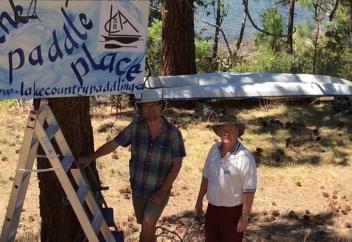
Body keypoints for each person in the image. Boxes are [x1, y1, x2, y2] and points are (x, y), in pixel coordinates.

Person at [79, 89, 186, 242]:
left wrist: (163, 191)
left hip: (159, 188)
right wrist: (91, 157)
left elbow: (177, 164)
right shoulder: (136, 127)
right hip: (138, 188)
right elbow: (114, 144)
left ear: (161, 106)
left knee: (148, 223)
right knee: (146, 225)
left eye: (154, 105)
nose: (150, 109)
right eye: (146, 106)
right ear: (141, 109)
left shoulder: (173, 133)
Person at [195, 114, 257, 242]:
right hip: (212, 209)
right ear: (219, 132)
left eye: (231, 129)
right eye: (223, 129)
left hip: (233, 213)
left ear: (238, 132)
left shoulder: (245, 157)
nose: (226, 133)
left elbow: (249, 191)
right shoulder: (213, 150)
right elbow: (206, 177)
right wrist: (199, 199)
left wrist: (244, 217)